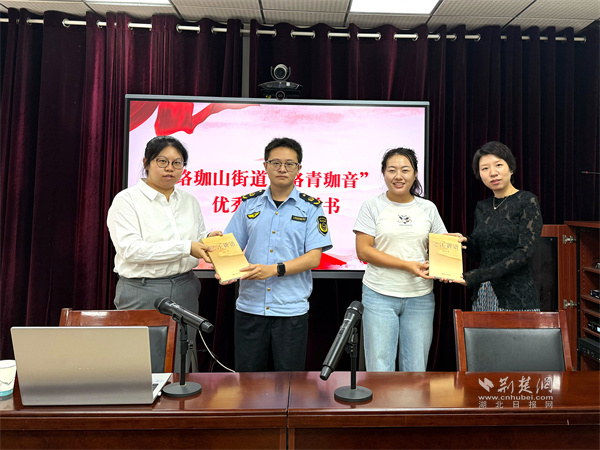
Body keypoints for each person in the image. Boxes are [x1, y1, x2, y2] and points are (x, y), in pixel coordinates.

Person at [107, 135, 221, 370]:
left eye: (177, 163)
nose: (170, 168)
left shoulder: (189, 200)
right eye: (162, 161)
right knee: (141, 364)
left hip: (185, 287)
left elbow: (197, 236)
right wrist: (187, 247)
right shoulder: (126, 201)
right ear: (146, 163)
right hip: (142, 290)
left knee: (182, 360)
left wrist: (208, 240)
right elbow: (131, 250)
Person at [221, 137, 333, 372]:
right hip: (250, 307)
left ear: (299, 168)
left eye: (289, 164)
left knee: (289, 383)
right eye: (276, 163)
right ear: (265, 165)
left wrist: (274, 270)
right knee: (248, 381)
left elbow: (314, 258)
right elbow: (231, 247)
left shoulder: (311, 208)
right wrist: (221, 262)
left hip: (290, 310)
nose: (282, 169)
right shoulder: (248, 204)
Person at [353, 148, 447, 372]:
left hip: (420, 297)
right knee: (379, 368)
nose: (398, 176)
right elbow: (363, 251)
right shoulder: (371, 206)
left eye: (405, 170)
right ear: (383, 173)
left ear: (415, 174)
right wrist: (407, 265)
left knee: (416, 369)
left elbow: (440, 248)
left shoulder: (428, 208)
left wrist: (450, 248)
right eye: (392, 170)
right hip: (379, 295)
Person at [451, 141, 543, 311]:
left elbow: (524, 253)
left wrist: (478, 275)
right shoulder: (482, 207)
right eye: (485, 168)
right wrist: (465, 241)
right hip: (484, 292)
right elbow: (479, 253)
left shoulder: (527, 201)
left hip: (517, 296)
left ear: (511, 168)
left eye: (498, 165)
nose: (493, 173)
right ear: (479, 174)